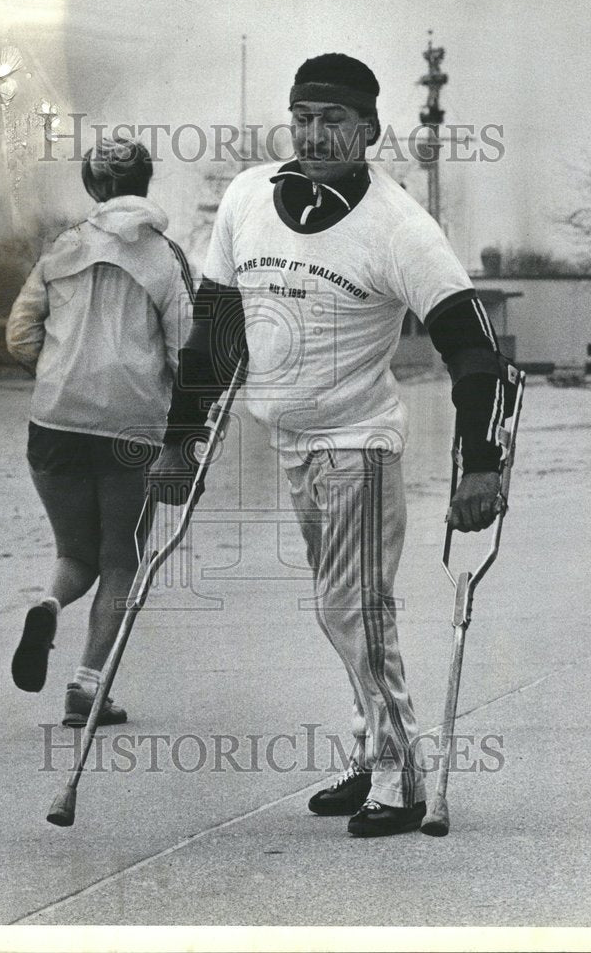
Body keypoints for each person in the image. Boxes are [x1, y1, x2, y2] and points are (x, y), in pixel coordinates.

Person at [149, 53, 518, 838]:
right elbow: (215, 334)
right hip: (292, 442)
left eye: (334, 121)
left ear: (369, 130)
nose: (315, 135)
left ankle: (400, 771)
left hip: (362, 445)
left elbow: (476, 349)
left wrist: (481, 462)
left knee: (350, 607)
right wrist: (179, 442)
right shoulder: (247, 198)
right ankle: (372, 750)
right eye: (303, 119)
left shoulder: (400, 227)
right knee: (349, 615)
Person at [6, 136, 193, 727]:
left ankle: (48, 602)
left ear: (92, 188)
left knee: (73, 551)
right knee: (121, 558)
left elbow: (18, 336)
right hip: (130, 428)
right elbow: (189, 350)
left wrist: (60, 373)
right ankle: (86, 686)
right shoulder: (165, 257)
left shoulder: (60, 250)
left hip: (55, 422)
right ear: (146, 183)